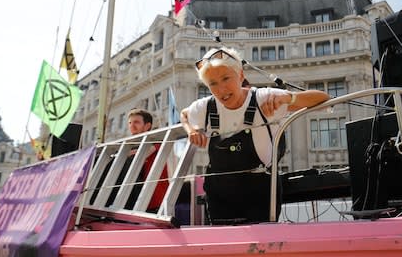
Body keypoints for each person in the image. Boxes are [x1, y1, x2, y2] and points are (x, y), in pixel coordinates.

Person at [180, 47, 329, 224]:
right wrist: (192, 131)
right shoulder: (205, 107)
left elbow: (324, 99)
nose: (221, 89)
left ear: (241, 75)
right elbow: (184, 114)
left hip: (261, 195)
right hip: (220, 196)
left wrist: (288, 99)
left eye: (226, 78)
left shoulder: (264, 98)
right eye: (213, 83)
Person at [107, 109, 169, 213]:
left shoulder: (157, 139)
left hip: (152, 199)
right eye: (130, 123)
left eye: (136, 122)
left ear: (147, 126)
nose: (132, 125)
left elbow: (142, 154)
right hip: (134, 197)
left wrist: (122, 154)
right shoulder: (129, 144)